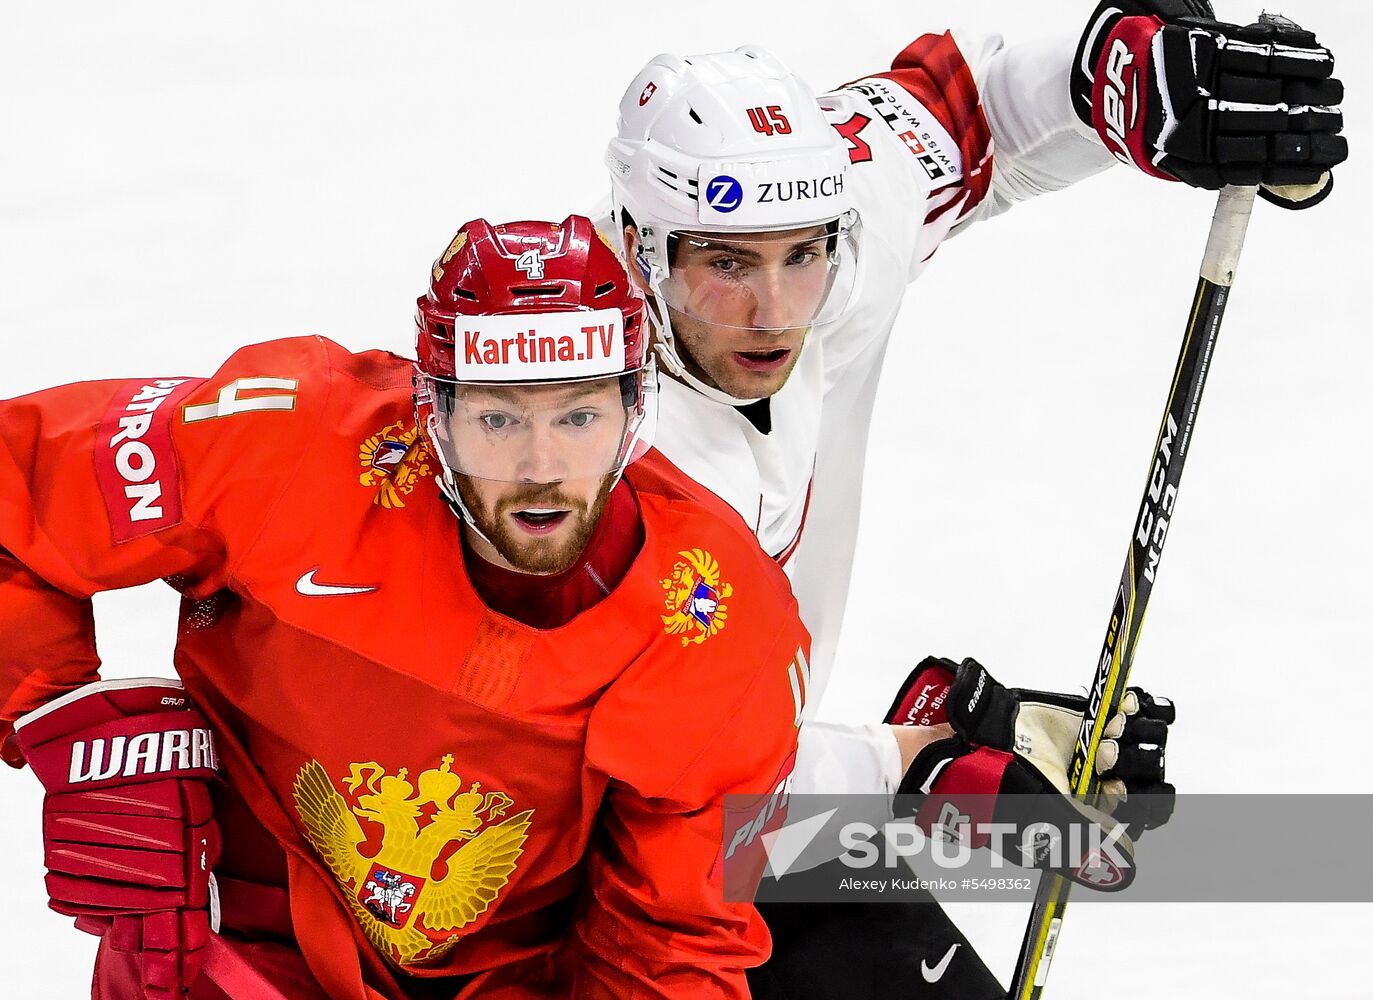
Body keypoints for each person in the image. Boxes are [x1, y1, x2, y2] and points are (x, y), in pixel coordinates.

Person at [603, 3, 1344, 995]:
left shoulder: (837, 224)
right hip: (583, 888)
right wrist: (908, 765)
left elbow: (976, 115)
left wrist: (1126, 77)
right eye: (725, 265)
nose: (774, 313)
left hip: (752, 817)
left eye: (801, 255)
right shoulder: (574, 461)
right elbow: (631, 788)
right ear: (638, 250)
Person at [0, 215, 836, 998]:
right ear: (430, 412)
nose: (541, 469)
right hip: (225, 940)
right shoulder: (289, 440)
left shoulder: (721, 621)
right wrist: (61, 721)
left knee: (861, 882)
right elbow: (14, 484)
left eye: (578, 416)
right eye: (496, 421)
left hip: (503, 981)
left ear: (632, 412)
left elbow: (671, 943)